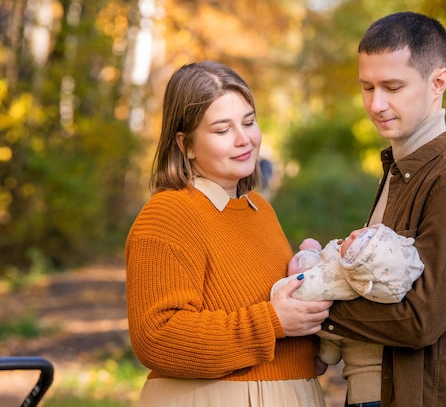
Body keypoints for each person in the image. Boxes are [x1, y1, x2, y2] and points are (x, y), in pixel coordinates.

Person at [321, 12, 446, 407]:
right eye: (367, 87)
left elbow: (419, 321)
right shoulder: (399, 170)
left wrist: (316, 308)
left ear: (438, 82)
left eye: (393, 87)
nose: (376, 103)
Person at [125, 61, 332, 407]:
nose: (244, 140)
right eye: (222, 130)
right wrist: (272, 321)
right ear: (186, 144)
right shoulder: (168, 213)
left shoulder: (260, 210)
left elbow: (281, 324)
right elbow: (156, 338)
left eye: (249, 122)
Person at [271, 223, 425, 406]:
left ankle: (323, 358)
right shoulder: (379, 285)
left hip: (367, 387)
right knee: (336, 336)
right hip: (368, 373)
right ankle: (324, 358)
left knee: (333, 332)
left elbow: (295, 288)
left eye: (356, 241)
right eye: (361, 232)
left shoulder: (336, 278)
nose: (352, 234)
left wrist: (309, 253)